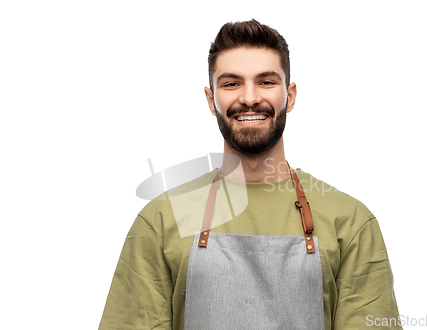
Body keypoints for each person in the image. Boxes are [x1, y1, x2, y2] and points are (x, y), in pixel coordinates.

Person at [99, 19, 403, 330]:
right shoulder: (163, 219)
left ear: (291, 95)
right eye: (231, 83)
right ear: (210, 99)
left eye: (266, 82)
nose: (249, 98)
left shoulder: (349, 221)